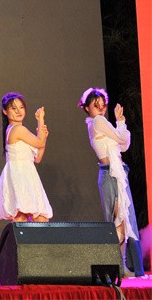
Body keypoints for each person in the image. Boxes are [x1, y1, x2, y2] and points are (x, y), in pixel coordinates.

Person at [78, 87, 144, 276]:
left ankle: (119, 266)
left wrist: (120, 121)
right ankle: (111, 263)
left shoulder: (101, 123)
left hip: (116, 174)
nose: (101, 108)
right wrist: (120, 123)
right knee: (119, 220)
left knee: (122, 220)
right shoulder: (98, 122)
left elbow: (123, 146)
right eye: (96, 105)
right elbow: (122, 139)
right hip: (111, 175)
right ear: (87, 108)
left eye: (103, 105)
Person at [0, 92, 52, 223]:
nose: (18, 111)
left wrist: (42, 136)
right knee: (28, 218)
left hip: (25, 174)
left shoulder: (18, 129)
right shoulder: (17, 129)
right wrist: (40, 120)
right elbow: (40, 142)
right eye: (13, 108)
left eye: (21, 107)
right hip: (20, 175)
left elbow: (37, 158)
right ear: (5, 111)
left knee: (27, 218)